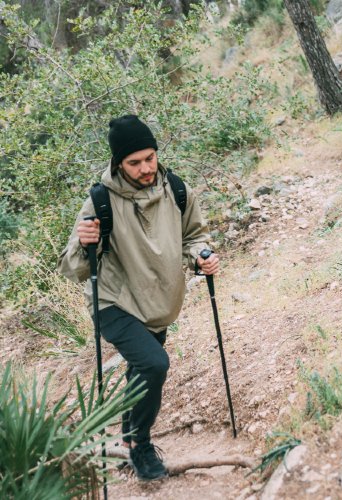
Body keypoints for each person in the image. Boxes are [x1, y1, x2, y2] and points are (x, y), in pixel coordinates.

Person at [58, 115, 220, 481]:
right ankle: (139, 446)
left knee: (140, 371)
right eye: (134, 162)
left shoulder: (176, 189)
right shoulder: (99, 201)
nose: (145, 168)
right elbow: (74, 267)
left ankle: (129, 438)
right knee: (153, 364)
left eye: (150, 157)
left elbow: (195, 234)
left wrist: (202, 255)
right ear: (118, 163)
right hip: (113, 303)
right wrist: (86, 243)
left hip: (159, 301)